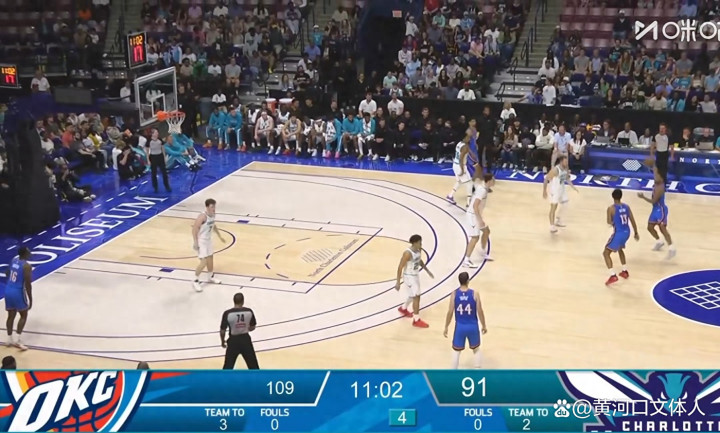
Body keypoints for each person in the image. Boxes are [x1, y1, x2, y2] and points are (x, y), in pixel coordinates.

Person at [443, 272, 487, 369]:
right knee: (476, 349)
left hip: (460, 327)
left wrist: (446, 326)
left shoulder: (454, 294)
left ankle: (453, 372)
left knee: (456, 351)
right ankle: (477, 370)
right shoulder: (475, 294)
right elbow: (480, 311)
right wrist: (484, 325)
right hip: (473, 326)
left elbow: (450, 311)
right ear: (468, 281)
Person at [395, 234, 434, 328]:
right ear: (415, 243)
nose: (421, 244)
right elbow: (400, 267)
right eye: (420, 242)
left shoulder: (418, 250)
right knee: (417, 296)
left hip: (415, 275)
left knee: (413, 295)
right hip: (409, 277)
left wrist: (427, 270)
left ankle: (403, 308)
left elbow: (419, 261)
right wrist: (398, 282)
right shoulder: (407, 253)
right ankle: (416, 320)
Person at [638, 167, 676, 259]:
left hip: (661, 210)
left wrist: (643, 197)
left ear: (662, 178)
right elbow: (655, 170)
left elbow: (653, 201)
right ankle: (659, 242)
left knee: (662, 228)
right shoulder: (657, 182)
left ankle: (672, 249)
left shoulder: (660, 187)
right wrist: (653, 166)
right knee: (650, 227)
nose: (655, 177)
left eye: (657, 176)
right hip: (655, 209)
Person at [604, 189, 639, 286]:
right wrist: (636, 233)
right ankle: (624, 271)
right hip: (627, 232)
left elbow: (609, 222)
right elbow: (632, 220)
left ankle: (612, 275)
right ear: (621, 196)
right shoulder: (627, 207)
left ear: (612, 196)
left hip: (618, 233)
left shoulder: (611, 208)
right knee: (620, 249)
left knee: (606, 253)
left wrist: (613, 220)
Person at [192, 199, 227, 292]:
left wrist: (220, 236)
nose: (214, 208)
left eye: (214, 206)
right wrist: (195, 242)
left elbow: (214, 226)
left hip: (208, 240)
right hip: (201, 241)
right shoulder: (202, 217)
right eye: (212, 207)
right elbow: (194, 229)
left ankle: (210, 277)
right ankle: (195, 280)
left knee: (210, 259)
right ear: (207, 207)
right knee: (203, 262)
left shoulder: (213, 215)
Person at [220, 292, 260, 369]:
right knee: (253, 365)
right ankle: (257, 377)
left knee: (228, 366)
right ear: (243, 301)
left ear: (233, 301)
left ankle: (224, 377)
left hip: (233, 341)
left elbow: (222, 330)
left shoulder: (228, 313)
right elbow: (252, 327)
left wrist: (222, 341)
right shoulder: (249, 311)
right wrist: (245, 327)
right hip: (245, 340)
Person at [464, 173, 495, 268]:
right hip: (473, 215)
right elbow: (475, 206)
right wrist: (480, 219)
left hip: (476, 215)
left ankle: (482, 252)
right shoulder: (482, 190)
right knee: (475, 237)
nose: (494, 181)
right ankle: (466, 260)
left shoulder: (483, 187)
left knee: (486, 231)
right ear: (489, 181)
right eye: (493, 180)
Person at [4, 247, 32, 350]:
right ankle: (17, 340)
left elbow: (7, 273)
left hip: (8, 289)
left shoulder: (14, 259)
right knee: (24, 315)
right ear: (25, 254)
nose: (30, 253)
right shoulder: (27, 266)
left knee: (11, 315)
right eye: (28, 251)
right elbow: (28, 284)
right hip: (18, 291)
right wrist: (31, 299)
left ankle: (9, 339)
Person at [542, 155, 578, 233]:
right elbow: (546, 179)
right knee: (553, 208)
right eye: (565, 161)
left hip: (562, 189)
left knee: (565, 204)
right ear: (561, 161)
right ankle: (551, 226)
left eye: (567, 161)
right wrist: (544, 191)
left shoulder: (565, 168)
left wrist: (573, 187)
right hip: (554, 190)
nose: (567, 162)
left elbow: (567, 178)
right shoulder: (555, 170)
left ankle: (558, 220)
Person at [446, 135, 473, 206]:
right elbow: (461, 158)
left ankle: (450, 195)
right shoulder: (465, 147)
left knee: (459, 181)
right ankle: (468, 202)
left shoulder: (459, 143)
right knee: (469, 182)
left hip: (455, 164)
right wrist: (462, 169)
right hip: (460, 166)